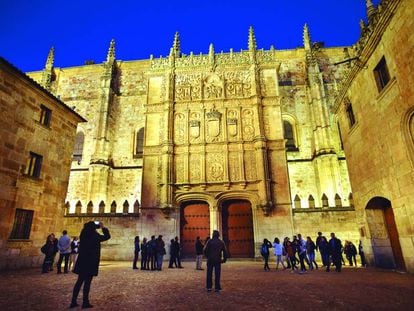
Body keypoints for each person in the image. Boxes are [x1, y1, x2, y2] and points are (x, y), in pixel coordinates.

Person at [70, 221, 110, 309]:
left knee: (79, 281)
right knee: (87, 283)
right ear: (93, 228)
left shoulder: (83, 234)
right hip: (90, 262)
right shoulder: (94, 235)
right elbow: (107, 237)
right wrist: (103, 227)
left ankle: (73, 301)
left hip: (82, 261)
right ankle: (85, 302)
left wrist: (96, 227)